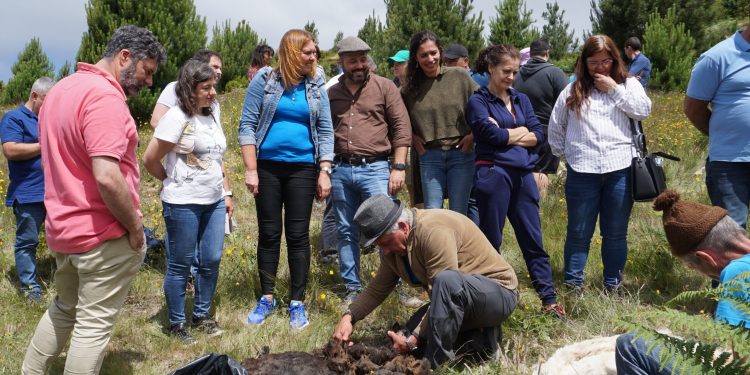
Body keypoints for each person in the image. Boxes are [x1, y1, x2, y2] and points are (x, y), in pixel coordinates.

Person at [21, 25, 165, 374]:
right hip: (102, 233)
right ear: (124, 57)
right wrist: (135, 227)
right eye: (147, 71)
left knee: (63, 307)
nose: (148, 82)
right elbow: (105, 174)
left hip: (63, 231)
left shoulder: (60, 91)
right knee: (92, 325)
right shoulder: (104, 97)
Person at [332, 194, 518, 368]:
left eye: (385, 243)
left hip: (498, 293)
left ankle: (436, 365)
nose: (385, 251)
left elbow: (447, 288)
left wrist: (414, 339)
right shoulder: (392, 247)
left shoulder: (433, 231)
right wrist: (349, 317)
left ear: (404, 227)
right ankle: (479, 338)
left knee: (442, 290)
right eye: (379, 245)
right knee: (411, 329)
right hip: (459, 297)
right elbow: (377, 289)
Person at [239, 29, 334, 330]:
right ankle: (267, 298)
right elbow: (246, 126)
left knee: (298, 235)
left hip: (303, 169)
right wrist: (251, 169)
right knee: (268, 233)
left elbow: (326, 129)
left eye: (315, 52)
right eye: (308, 52)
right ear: (292, 52)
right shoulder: (265, 80)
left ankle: (297, 302)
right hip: (266, 167)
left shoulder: (316, 83)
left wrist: (325, 170)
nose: (313, 57)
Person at [466, 44, 564, 318]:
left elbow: (538, 135)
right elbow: (489, 135)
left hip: (523, 176)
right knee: (490, 240)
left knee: (533, 239)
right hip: (493, 175)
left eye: (515, 72)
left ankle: (549, 299)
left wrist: (509, 132)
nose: (511, 77)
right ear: (490, 68)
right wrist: (519, 133)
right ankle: (487, 300)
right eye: (506, 71)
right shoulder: (478, 101)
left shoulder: (521, 99)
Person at [548, 35, 652, 291]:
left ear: (615, 60)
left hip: (620, 170)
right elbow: (555, 129)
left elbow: (643, 111)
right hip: (582, 171)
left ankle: (612, 285)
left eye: (605, 61)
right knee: (579, 233)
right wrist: (569, 156)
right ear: (584, 62)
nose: (600, 67)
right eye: (594, 62)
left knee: (615, 233)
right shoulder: (572, 90)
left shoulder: (628, 85)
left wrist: (613, 89)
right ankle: (573, 286)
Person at [142, 59, 232, 343]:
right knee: (180, 264)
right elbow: (149, 159)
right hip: (182, 203)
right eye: (206, 88)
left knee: (212, 259)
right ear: (189, 90)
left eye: (213, 86)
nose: (212, 93)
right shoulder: (176, 117)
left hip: (214, 199)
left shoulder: (214, 112)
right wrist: (169, 180)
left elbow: (218, 158)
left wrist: (226, 192)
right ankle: (177, 323)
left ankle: (202, 316)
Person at [615, 190, 750, 374]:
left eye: (695, 268)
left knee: (631, 345)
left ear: (706, 258)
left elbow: (744, 364)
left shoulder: (737, 273)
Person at [327, 36, 412, 304]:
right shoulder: (331, 94)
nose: (359, 65)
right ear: (342, 63)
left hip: (376, 168)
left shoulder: (386, 88)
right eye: (353, 61)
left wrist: (398, 167)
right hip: (341, 169)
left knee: (387, 228)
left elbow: (401, 128)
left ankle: (396, 284)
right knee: (345, 230)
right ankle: (352, 288)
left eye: (363, 59)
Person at [402, 30, 478, 215]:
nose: (430, 59)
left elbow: (483, 107)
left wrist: (473, 135)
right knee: (433, 212)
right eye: (424, 55)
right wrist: (412, 138)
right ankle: (437, 245)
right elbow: (397, 119)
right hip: (430, 156)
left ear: (440, 52)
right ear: (416, 58)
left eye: (433, 53)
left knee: (458, 212)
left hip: (462, 154)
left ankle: (458, 245)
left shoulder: (459, 77)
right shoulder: (409, 88)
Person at [684, 25, 750, 229]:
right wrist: (725, 136)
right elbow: (694, 108)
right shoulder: (716, 57)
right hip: (730, 163)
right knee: (732, 233)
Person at [0, 77, 54, 303]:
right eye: (47, 100)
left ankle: (63, 280)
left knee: (64, 239)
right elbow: (11, 150)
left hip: (55, 193)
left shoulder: (48, 119)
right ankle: (31, 288)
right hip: (29, 193)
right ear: (34, 96)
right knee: (27, 242)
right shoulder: (14, 118)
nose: (51, 106)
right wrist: (45, 146)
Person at [513, 40, 569, 197]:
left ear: (530, 54)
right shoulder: (555, 73)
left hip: (522, 130)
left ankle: (525, 201)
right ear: (547, 53)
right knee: (541, 170)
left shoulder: (517, 75)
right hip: (546, 129)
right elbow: (566, 102)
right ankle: (540, 207)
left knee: (528, 168)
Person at [150, 50, 223, 129]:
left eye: (220, 68)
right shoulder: (175, 88)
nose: (219, 72)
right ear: (201, 66)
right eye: (215, 67)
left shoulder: (214, 102)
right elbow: (156, 122)